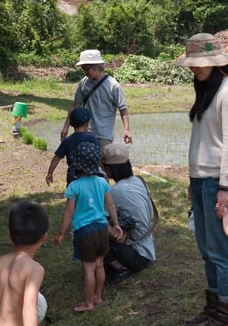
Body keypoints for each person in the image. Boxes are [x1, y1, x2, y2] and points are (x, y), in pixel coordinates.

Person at [175, 33, 228, 326]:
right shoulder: (205, 88)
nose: (195, 69)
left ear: (216, 62)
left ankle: (226, 314)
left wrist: (225, 188)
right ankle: (214, 306)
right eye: (192, 65)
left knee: (221, 251)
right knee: (206, 248)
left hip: (219, 182)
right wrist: (192, 179)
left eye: (200, 64)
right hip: (201, 180)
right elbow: (201, 140)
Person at [52, 141, 123, 312]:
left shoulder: (74, 186)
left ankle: (89, 303)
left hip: (85, 232)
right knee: (99, 265)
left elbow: (69, 212)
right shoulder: (102, 182)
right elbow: (111, 206)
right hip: (101, 229)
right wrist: (116, 225)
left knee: (88, 268)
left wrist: (61, 233)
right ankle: (98, 297)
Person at [100, 143, 157, 285]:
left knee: (93, 233)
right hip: (148, 250)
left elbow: (99, 218)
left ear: (109, 170)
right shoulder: (139, 180)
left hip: (136, 255)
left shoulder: (114, 192)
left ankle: (120, 267)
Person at [60, 50, 132, 147]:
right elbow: (75, 106)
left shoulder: (113, 85)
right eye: (83, 69)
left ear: (97, 67)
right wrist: (66, 127)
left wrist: (126, 130)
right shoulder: (83, 84)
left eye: (88, 69)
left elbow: (123, 109)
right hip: (84, 134)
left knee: (102, 161)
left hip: (104, 137)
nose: (85, 72)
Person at [46, 106, 100, 186]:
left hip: (73, 175)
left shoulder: (67, 141)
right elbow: (100, 157)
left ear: (71, 124)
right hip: (91, 174)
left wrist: (50, 173)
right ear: (87, 124)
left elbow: (56, 158)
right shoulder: (93, 139)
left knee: (73, 194)